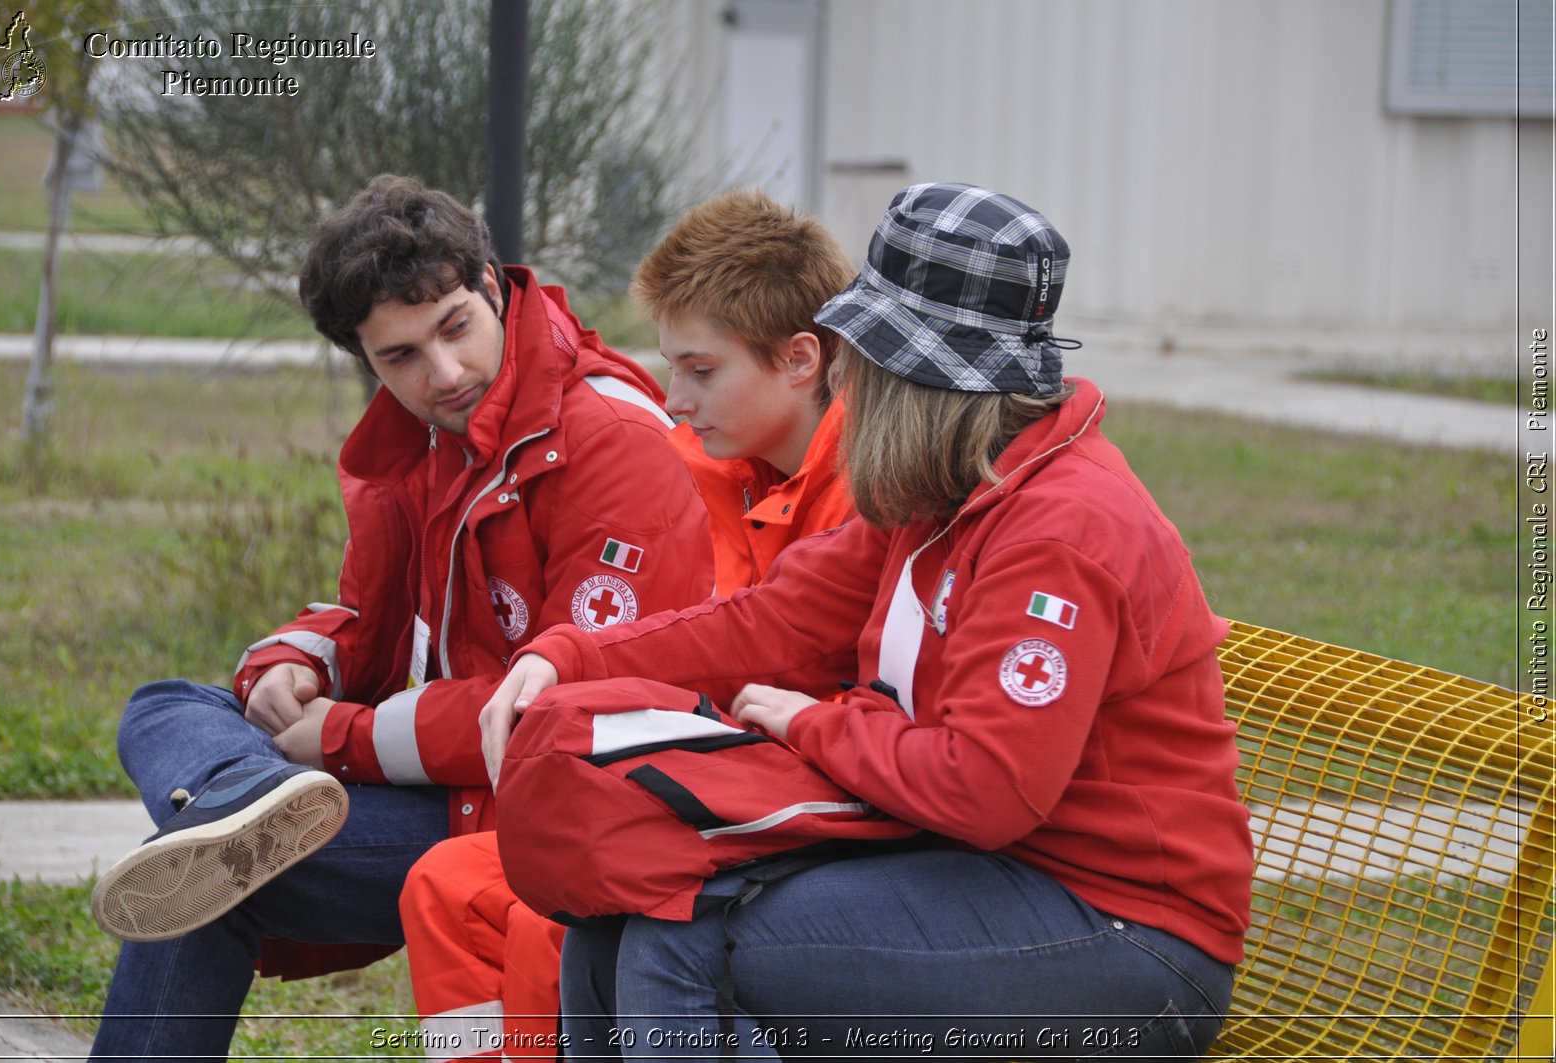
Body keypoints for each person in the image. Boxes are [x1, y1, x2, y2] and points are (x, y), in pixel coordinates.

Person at [480, 183, 1255, 1061]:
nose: (847, 375)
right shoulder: (944, 493)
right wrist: (568, 655)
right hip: (986, 872)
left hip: (1127, 935)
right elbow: (767, 623)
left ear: (924, 377)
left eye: (866, 354)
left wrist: (817, 723)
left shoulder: (1060, 531)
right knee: (618, 918)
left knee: (692, 941)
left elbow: (988, 787)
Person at [86, 174, 715, 1062]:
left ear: (494, 285)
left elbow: (570, 707)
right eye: (401, 357)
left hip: (558, 809)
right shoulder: (425, 436)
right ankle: (244, 798)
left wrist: (338, 736)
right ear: (365, 359)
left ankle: (244, 811)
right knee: (164, 709)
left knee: (204, 876)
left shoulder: (610, 440)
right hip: (457, 787)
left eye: (454, 327)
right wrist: (295, 669)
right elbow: (368, 617)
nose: (442, 373)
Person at [398, 188, 859, 1060]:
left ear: (801, 359)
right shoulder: (701, 467)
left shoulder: (869, 497)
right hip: (704, 783)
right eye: (670, 366)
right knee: (446, 887)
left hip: (800, 808)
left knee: (558, 919)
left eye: (701, 369)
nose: (673, 396)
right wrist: (566, 660)